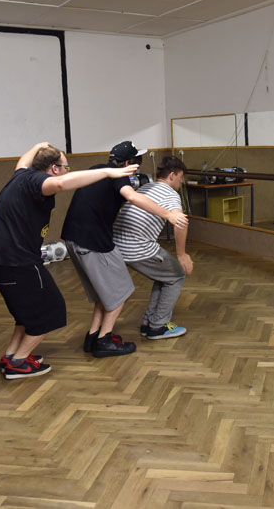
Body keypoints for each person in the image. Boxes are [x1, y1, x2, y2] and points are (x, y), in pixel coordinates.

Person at [0, 142, 138, 379]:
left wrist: (38, 145)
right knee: (51, 310)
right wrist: (108, 172)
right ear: (54, 169)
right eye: (66, 167)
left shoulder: (21, 174)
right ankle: (18, 363)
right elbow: (62, 184)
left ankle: (11, 356)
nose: (66, 171)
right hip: (16, 260)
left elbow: (23, 160)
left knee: (26, 313)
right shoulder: (38, 182)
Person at [62, 141, 189, 358]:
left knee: (104, 294)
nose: (138, 167)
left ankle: (93, 336)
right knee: (121, 291)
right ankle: (107, 340)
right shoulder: (118, 175)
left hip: (73, 238)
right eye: (137, 162)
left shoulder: (97, 170)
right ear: (128, 163)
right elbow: (132, 197)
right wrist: (169, 217)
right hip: (95, 242)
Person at [112, 156, 193, 340]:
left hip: (118, 246)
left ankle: (148, 322)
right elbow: (181, 222)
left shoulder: (145, 187)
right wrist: (182, 254)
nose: (181, 182)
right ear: (172, 175)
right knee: (177, 275)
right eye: (181, 177)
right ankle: (158, 326)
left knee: (164, 275)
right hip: (137, 248)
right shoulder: (170, 194)